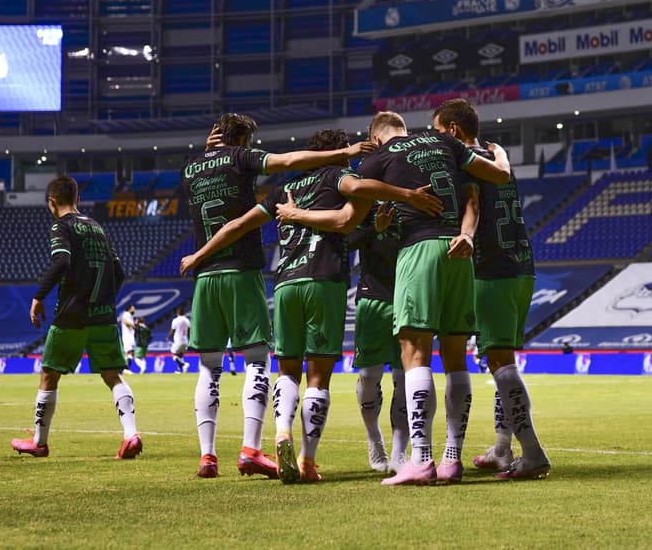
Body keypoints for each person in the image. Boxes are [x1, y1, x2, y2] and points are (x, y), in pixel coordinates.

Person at [182, 127, 442, 483]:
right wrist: (407, 195)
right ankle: (307, 460)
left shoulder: (282, 192)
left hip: (286, 282)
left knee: (288, 371)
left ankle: (282, 431)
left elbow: (237, 225)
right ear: (336, 153)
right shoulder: (338, 175)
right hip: (324, 280)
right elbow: (358, 194)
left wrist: (198, 254)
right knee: (318, 377)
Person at [278, 110, 510, 486]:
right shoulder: (444, 142)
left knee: (414, 354)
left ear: (376, 136)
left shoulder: (380, 159)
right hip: (458, 250)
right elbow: (493, 181)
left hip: (419, 250)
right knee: (455, 358)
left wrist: (295, 212)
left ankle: (420, 460)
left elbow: (345, 223)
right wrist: (500, 157)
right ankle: (452, 458)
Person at [433, 98, 550, 480]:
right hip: (521, 265)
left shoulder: (463, 160)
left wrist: (465, 235)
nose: (435, 140)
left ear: (452, 131)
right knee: (500, 358)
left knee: (500, 362)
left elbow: (473, 205)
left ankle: (532, 453)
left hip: (491, 269)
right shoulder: (497, 155)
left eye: (437, 131)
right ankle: (502, 447)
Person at [11, 175, 142, 460]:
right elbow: (118, 273)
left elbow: (62, 261)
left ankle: (39, 442)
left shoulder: (61, 225)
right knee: (113, 375)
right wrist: (103, 301)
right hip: (103, 315)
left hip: (72, 314)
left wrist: (38, 296)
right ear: (78, 200)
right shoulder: (97, 227)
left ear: (52, 202)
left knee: (49, 375)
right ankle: (131, 434)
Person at [344, 202, 409, 474]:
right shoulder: (365, 196)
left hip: (407, 293)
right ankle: (375, 441)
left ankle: (399, 451)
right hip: (373, 296)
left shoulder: (413, 192)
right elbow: (346, 242)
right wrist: (374, 228)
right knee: (369, 377)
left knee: (405, 378)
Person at [168, 306, 191, 374]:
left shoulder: (175, 320)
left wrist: (168, 337)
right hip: (185, 340)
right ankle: (179, 370)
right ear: (183, 312)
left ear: (177, 313)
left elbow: (172, 330)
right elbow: (189, 331)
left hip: (178, 340)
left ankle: (184, 364)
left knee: (173, 354)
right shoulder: (187, 320)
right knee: (180, 355)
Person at [120, 304, 137, 370]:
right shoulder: (126, 314)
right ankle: (125, 368)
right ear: (129, 309)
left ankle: (126, 368)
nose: (134, 310)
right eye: (133, 308)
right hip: (127, 337)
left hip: (130, 336)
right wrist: (134, 326)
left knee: (132, 352)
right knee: (128, 352)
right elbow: (124, 321)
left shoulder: (130, 316)